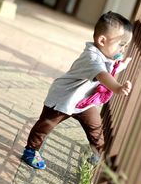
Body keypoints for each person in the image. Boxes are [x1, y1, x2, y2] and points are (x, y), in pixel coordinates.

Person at [21, 11, 133, 170]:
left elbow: (110, 68)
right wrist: (118, 87)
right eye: (121, 45)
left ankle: (98, 154)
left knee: (95, 128)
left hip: (83, 102)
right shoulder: (92, 58)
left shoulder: (105, 55)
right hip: (64, 99)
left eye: (125, 46)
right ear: (102, 40)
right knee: (46, 124)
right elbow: (103, 75)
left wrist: (122, 65)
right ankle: (31, 150)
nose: (123, 50)